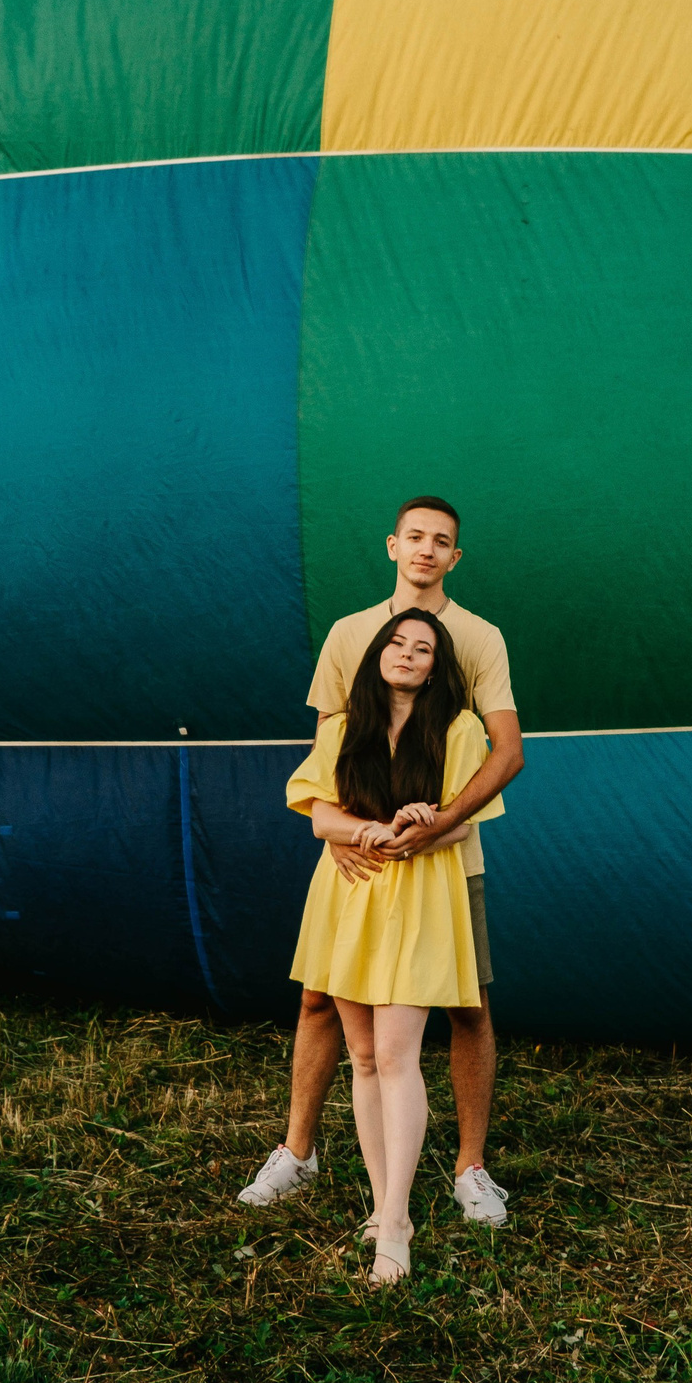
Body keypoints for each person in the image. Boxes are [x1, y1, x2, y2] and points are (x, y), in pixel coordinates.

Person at [238, 497, 523, 1228]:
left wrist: (441, 826)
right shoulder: (351, 633)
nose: (428, 550)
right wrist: (342, 830)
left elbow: (505, 751)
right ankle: (298, 1151)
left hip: (443, 862)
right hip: (358, 863)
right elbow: (331, 746)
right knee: (320, 1000)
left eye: (443, 542)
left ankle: (470, 1168)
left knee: (468, 1003)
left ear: (455, 557)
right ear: (393, 545)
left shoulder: (478, 638)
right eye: (417, 537)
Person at [283, 607, 503, 1283]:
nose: (408, 653)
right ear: (378, 653)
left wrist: (417, 825)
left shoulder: (461, 728)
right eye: (397, 643)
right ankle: (381, 1208)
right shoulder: (345, 725)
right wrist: (358, 832)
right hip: (350, 894)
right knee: (365, 1055)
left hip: (419, 894)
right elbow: (315, 806)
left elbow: (461, 825)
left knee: (400, 1054)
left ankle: (398, 1220)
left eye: (424, 648)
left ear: (439, 666)